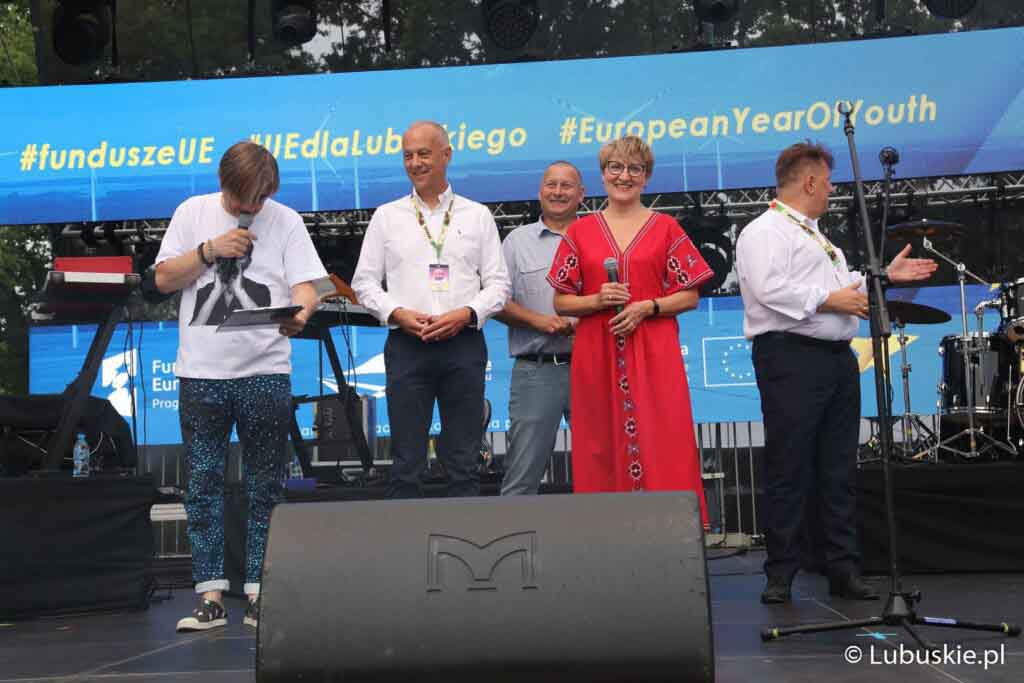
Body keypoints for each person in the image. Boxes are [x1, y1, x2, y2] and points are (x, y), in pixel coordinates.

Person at [735, 141, 937, 604]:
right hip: (791, 357)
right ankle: (781, 572)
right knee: (789, 465)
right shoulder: (765, 231)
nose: (831, 190)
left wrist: (882, 277)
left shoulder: (816, 236)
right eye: (827, 182)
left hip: (835, 358)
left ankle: (842, 567)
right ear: (809, 182)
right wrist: (830, 300)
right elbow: (769, 289)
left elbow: (838, 290)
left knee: (838, 467)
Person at [154, 141, 327, 631]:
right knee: (203, 484)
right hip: (201, 373)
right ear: (223, 184)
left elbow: (308, 285)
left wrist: (302, 313)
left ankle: (259, 593)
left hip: (265, 370)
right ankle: (209, 596)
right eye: (243, 199)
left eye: (262, 199)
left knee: (265, 484)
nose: (253, 208)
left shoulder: (286, 220)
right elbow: (162, 279)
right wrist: (209, 250)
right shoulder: (192, 212)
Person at [547, 136, 710, 522]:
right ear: (603, 175)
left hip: (655, 351)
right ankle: (608, 534)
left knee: (665, 437)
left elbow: (690, 295)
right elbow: (561, 302)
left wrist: (648, 307)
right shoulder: (580, 231)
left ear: (646, 177)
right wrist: (597, 300)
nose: (624, 176)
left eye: (635, 169)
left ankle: (671, 531)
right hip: (597, 352)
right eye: (616, 167)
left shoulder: (666, 228)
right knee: (599, 441)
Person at [351, 121, 510, 498]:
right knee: (406, 462)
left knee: (464, 460)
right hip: (408, 345)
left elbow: (499, 285)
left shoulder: (477, 215)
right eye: (408, 155)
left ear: (446, 155)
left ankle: (465, 534)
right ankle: (404, 536)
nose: (415, 163)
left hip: (463, 344)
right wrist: (397, 313)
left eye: (424, 153)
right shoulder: (386, 216)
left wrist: (467, 313)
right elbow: (363, 283)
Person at [494, 161, 583, 495]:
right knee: (522, 478)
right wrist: (540, 322)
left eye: (566, 186)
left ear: (581, 194)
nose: (558, 192)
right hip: (536, 371)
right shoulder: (517, 242)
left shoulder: (599, 237)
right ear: (540, 191)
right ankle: (514, 532)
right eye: (551, 185)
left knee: (604, 470)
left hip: (592, 368)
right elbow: (495, 302)